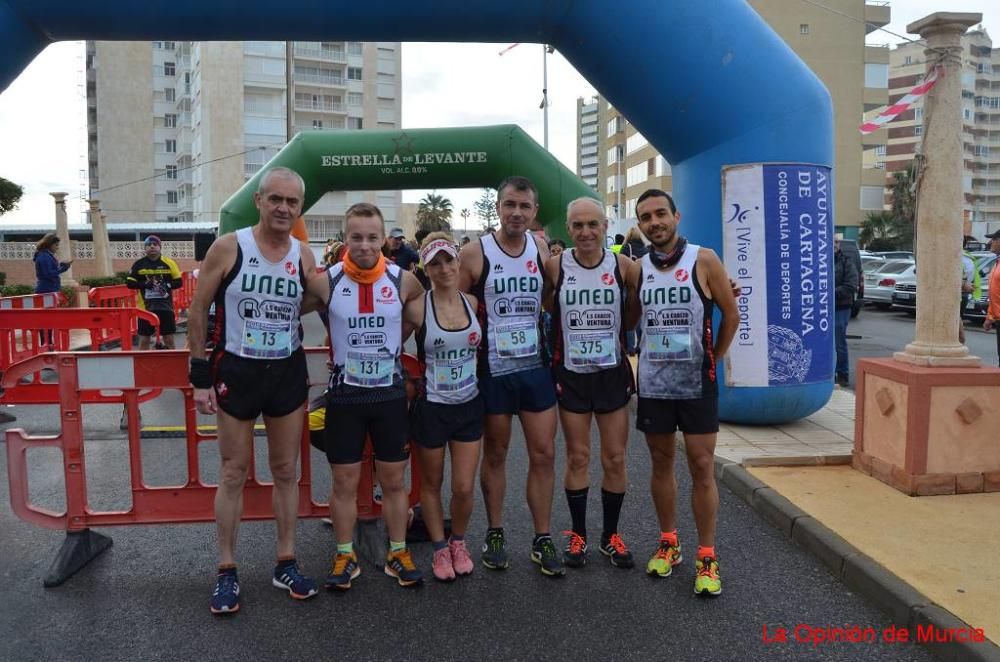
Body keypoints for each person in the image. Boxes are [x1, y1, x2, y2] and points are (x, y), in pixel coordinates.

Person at [188, 167, 319, 615]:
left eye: (292, 202)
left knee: (286, 469)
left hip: (285, 371)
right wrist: (199, 375)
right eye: (276, 199)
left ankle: (285, 561)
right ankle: (226, 569)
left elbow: (314, 300)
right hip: (237, 370)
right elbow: (198, 308)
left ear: (299, 209)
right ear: (259, 201)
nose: (284, 208)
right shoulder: (230, 246)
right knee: (233, 471)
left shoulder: (304, 255)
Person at [304, 202, 426, 590]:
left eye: (372, 237)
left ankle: (398, 551)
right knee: (343, 483)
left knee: (393, 482)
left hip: (389, 396)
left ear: (383, 238)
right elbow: (287, 309)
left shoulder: (402, 280)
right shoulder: (328, 281)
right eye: (356, 237)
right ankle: (344, 554)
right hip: (345, 397)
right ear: (345, 238)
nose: (365, 245)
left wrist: (397, 340)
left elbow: (422, 314)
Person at [625, 188, 738, 597]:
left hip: (695, 384)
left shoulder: (703, 259)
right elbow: (632, 318)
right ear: (639, 226)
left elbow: (731, 313)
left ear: (676, 216)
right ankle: (669, 542)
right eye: (646, 217)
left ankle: (707, 555)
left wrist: (714, 359)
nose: (654, 222)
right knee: (660, 461)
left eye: (660, 214)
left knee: (702, 464)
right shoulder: (638, 269)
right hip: (654, 383)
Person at [458, 176, 564, 577]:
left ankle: (542, 536)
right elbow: (453, 299)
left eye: (524, 206)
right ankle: (496, 531)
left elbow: (552, 294)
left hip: (534, 368)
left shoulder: (540, 250)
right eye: (509, 205)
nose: (516, 212)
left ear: (535, 212)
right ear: (498, 209)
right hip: (493, 371)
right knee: (497, 454)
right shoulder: (474, 252)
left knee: (544, 453)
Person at [543, 198, 637, 570]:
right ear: (568, 229)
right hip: (572, 374)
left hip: (611, 374)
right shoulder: (555, 266)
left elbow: (648, 298)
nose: (585, 232)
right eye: (578, 225)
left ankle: (610, 536)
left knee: (614, 457)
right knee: (578, 456)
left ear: (604, 226)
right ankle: (578, 534)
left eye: (592, 225)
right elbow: (543, 306)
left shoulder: (623, 265)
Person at [411, 232, 483, 581]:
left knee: (464, 487)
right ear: (426, 268)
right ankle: (439, 549)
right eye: (434, 263)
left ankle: (458, 542)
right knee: (432, 482)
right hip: (432, 408)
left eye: (448, 260)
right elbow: (387, 342)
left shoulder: (471, 301)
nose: (443, 269)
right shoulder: (417, 307)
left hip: (469, 404)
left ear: (458, 262)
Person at [126, 235, 182, 350]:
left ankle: (173, 364)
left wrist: (167, 285)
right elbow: (130, 283)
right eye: (148, 245)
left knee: (169, 339)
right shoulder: (138, 264)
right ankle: (142, 365)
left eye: (155, 244)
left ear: (159, 247)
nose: (152, 247)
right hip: (145, 309)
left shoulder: (169, 263)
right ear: (145, 248)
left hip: (165, 307)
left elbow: (179, 282)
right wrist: (144, 285)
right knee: (144, 340)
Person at [32, 233, 71, 345]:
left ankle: (47, 342)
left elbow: (50, 272)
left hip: (48, 289)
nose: (57, 248)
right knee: (45, 318)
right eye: (56, 245)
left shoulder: (45, 255)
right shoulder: (44, 256)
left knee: (46, 318)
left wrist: (61, 267)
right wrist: (62, 269)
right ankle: (46, 342)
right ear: (50, 244)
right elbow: (48, 274)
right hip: (46, 290)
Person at [833, 233, 859, 387]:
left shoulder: (847, 263)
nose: (835, 244)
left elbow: (851, 285)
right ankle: (829, 373)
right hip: (822, 308)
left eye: (837, 242)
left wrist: (830, 293)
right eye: (832, 242)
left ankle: (843, 374)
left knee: (838, 340)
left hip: (841, 306)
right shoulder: (818, 261)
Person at [983, 229, 1000, 367]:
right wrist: (990, 316)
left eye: (993, 239)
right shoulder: (997, 263)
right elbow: (994, 293)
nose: (990, 243)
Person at [960, 238, 981, 345]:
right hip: (964, 294)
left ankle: (960, 341)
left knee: (953, 323)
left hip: (958, 293)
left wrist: (963, 284)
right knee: (957, 320)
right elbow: (972, 276)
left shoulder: (958, 257)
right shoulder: (969, 258)